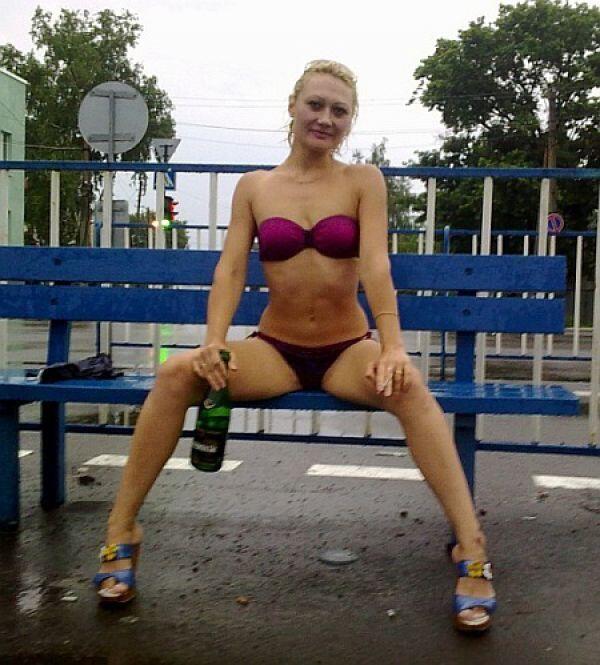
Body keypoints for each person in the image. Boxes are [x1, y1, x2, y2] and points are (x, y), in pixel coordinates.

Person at [93, 59, 496, 632]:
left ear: (350, 121)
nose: (326, 118)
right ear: (293, 106)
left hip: (346, 349)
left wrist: (392, 346)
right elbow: (232, 269)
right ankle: (122, 529)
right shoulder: (255, 187)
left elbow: (376, 265)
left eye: (339, 111)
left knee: (410, 390)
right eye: (316, 105)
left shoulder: (363, 181)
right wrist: (213, 342)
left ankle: (470, 546)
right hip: (275, 351)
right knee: (175, 374)